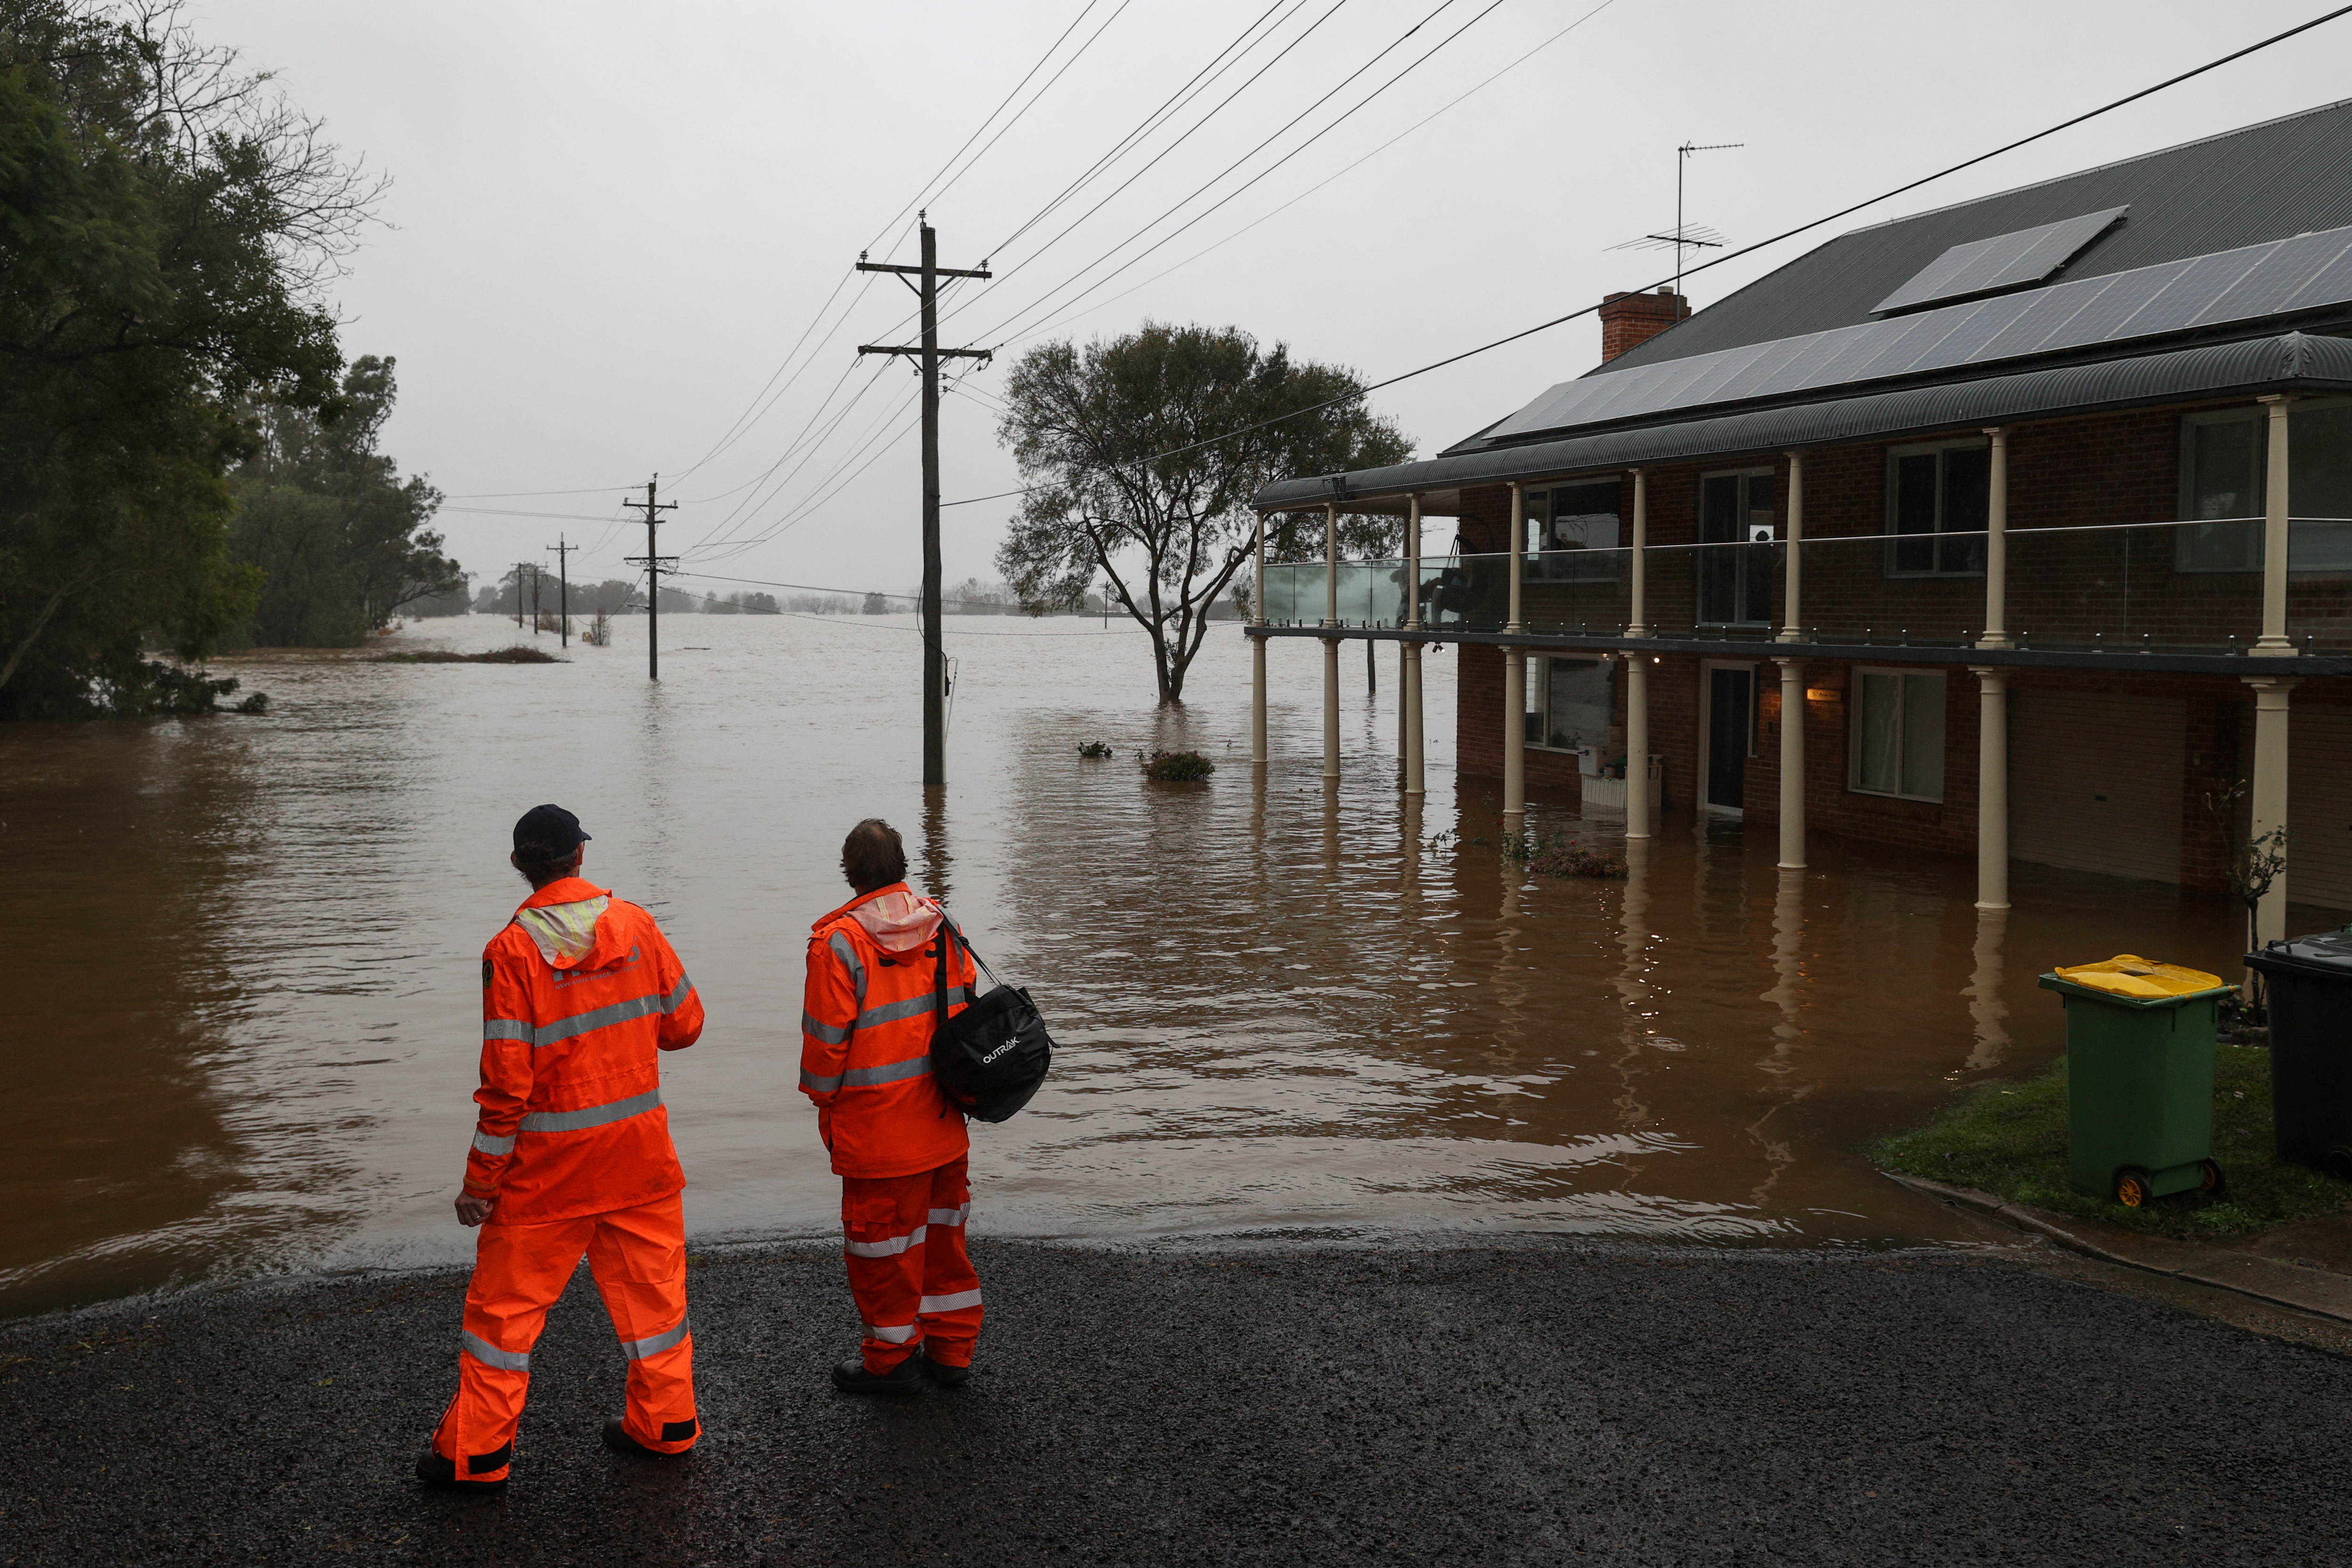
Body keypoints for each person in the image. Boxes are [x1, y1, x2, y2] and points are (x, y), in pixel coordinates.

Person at [416, 805, 706, 1490]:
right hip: (638, 1159)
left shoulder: (510, 952)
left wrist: (480, 1184)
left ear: (521, 866)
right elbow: (685, 1026)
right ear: (580, 856)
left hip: (547, 1176)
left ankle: (477, 1457)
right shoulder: (636, 924)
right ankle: (667, 1427)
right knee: (656, 1306)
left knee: (504, 1320)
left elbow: (506, 1087)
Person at [801, 818, 983, 1395]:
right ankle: (951, 1354)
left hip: (877, 1131)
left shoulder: (838, 943)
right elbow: (965, 1006)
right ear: (902, 866)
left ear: (849, 872)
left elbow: (825, 1048)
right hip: (943, 1120)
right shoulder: (943, 924)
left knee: (882, 1253)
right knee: (943, 1244)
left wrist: (822, 1102)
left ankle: (891, 1361)